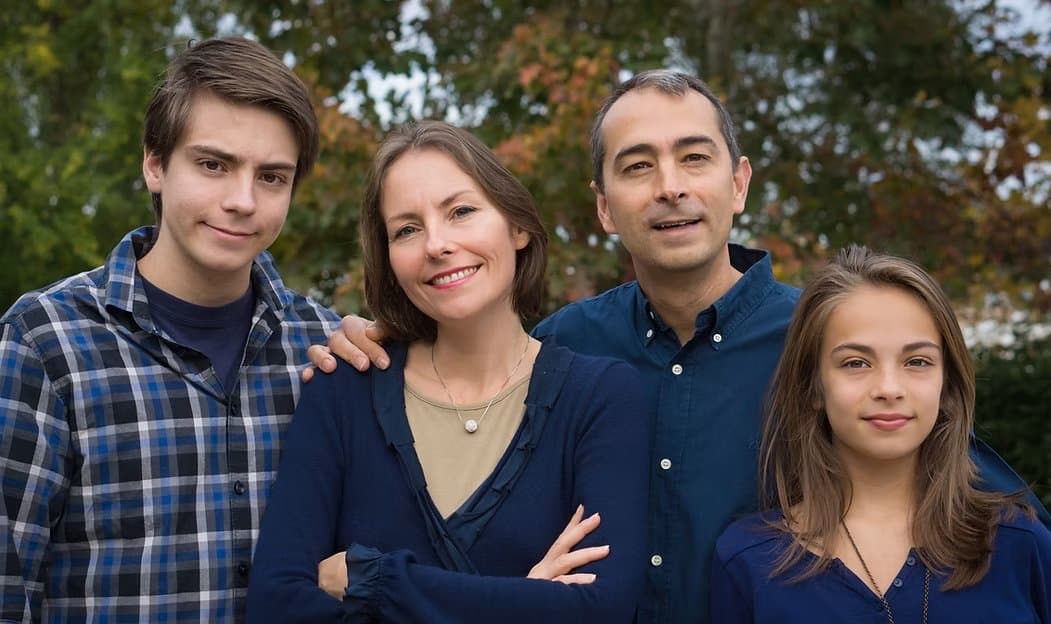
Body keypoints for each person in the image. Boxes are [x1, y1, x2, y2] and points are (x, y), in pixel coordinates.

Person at [308, 70, 1049, 623]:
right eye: (636, 167)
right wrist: (388, 337)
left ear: (738, 184)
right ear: (603, 206)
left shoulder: (828, 342)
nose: (668, 187)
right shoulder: (562, 347)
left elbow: (967, 492)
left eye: (693, 159)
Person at [246, 121, 650, 622]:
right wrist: (523, 602)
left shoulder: (602, 398)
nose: (436, 244)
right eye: (407, 229)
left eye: (461, 212)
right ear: (389, 257)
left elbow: (600, 609)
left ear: (517, 226)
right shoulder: (343, 387)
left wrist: (377, 581)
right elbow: (277, 605)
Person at [0, 38, 341, 621]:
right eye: (213, 164)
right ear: (155, 164)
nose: (242, 200)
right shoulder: (45, 342)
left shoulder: (327, 348)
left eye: (272, 177)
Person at [711, 246, 1051, 623]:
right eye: (856, 362)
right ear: (813, 388)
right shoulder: (749, 560)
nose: (889, 388)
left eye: (917, 361)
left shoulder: (1019, 544)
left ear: (948, 386)